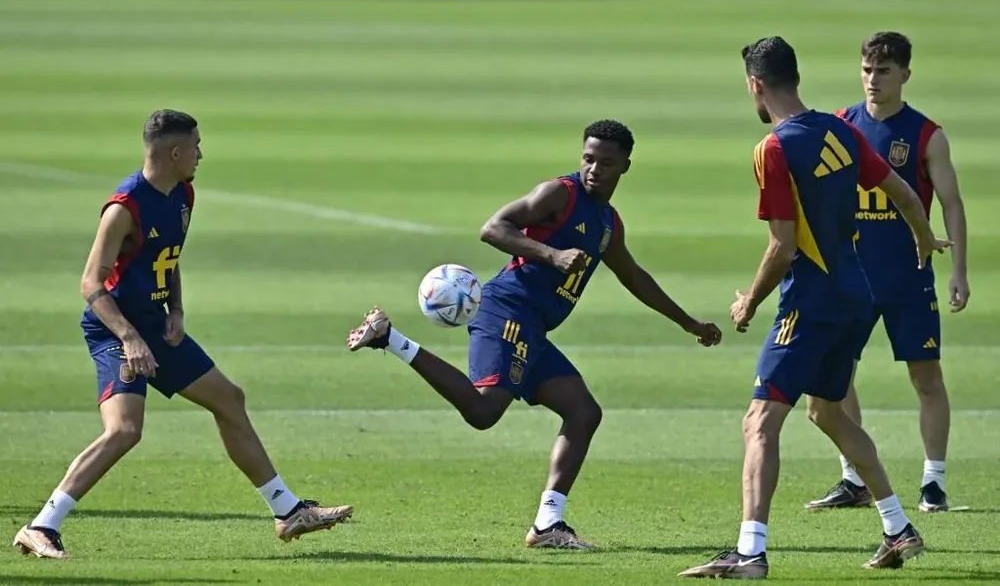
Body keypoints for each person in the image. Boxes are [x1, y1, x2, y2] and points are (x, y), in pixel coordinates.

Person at [346, 119, 722, 550]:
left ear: (625, 167)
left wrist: (688, 322)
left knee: (583, 412)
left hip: (533, 327)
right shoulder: (560, 193)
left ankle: (548, 526)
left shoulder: (607, 224)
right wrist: (552, 254)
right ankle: (389, 337)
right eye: (588, 158)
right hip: (506, 309)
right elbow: (493, 228)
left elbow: (634, 276)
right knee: (484, 412)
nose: (594, 168)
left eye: (606, 162)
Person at [12, 110, 353, 559]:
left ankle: (288, 511)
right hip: (116, 329)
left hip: (157, 328)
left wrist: (176, 309)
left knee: (229, 399)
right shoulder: (123, 207)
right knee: (124, 431)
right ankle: (41, 526)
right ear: (175, 153)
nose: (201, 153)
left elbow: (167, 259)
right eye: (196, 145)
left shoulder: (182, 194)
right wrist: (130, 338)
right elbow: (90, 283)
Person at [679, 37, 951, 579]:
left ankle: (750, 553)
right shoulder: (842, 128)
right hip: (858, 294)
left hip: (811, 300)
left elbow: (782, 246)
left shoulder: (774, 149)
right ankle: (899, 529)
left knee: (759, 422)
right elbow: (905, 193)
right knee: (826, 410)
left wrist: (747, 303)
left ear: (756, 85)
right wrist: (924, 239)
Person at [805, 31, 970, 513]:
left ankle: (933, 483)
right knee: (837, 375)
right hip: (851, 277)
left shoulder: (925, 134)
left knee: (926, 377)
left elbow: (953, 203)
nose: (872, 80)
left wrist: (958, 269)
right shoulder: (840, 126)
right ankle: (853, 477)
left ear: (904, 75)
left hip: (908, 277)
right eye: (866, 70)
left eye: (883, 71)